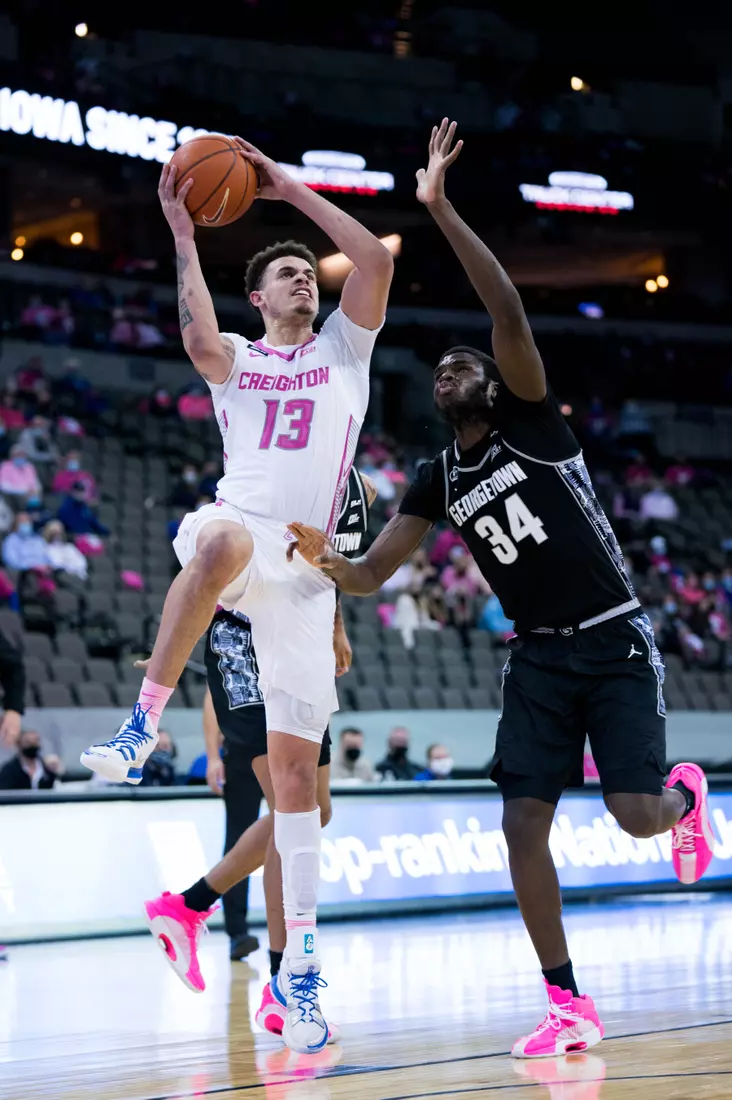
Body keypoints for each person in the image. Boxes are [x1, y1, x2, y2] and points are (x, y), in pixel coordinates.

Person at [285, 120, 715, 1059]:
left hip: (612, 636)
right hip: (538, 659)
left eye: (463, 362)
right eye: (438, 370)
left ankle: (686, 799)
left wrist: (438, 208)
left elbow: (508, 311)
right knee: (522, 825)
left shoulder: (531, 421)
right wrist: (320, 558)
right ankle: (567, 1002)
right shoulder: (434, 478)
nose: (451, 369)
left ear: (492, 378)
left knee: (636, 819)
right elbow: (367, 575)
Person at [79, 135, 392, 1056]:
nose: (304, 280)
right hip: (245, 533)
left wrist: (288, 191)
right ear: (258, 298)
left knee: (300, 791)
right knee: (213, 533)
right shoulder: (240, 362)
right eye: (286, 275)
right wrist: (182, 228)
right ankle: (141, 724)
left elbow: (370, 257)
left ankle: (299, 981)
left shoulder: (347, 348)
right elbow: (196, 334)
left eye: (307, 273)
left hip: (308, 574)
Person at [144, 464, 374, 1012]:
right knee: (291, 812)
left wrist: (336, 625)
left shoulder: (354, 481)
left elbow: (330, 562)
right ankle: (280, 982)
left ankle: (190, 906)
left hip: (304, 635)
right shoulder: (268, 456)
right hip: (245, 638)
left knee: (313, 812)